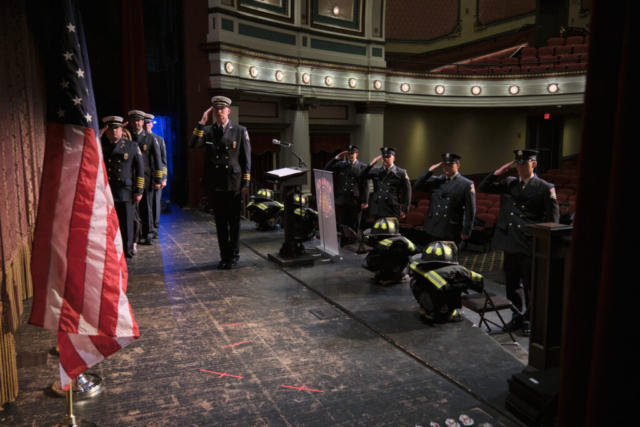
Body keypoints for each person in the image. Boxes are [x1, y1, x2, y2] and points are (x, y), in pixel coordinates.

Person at [479, 149, 559, 335]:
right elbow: (484, 187)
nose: (521, 168)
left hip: (529, 243)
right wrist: (498, 172)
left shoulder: (545, 187)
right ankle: (516, 317)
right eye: (519, 164)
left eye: (525, 164)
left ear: (534, 164)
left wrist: (544, 244)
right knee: (512, 283)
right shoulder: (509, 183)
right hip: (509, 241)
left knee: (530, 285)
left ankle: (529, 320)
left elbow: (552, 221)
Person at [188, 96, 251, 269]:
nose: (219, 111)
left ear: (228, 111)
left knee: (234, 222)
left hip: (233, 182)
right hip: (215, 182)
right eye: (216, 109)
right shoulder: (208, 131)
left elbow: (246, 158)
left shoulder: (239, 130)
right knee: (221, 222)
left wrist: (246, 181)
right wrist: (201, 123)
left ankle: (233, 255)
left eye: (222, 108)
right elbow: (194, 144)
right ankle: (224, 256)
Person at [100, 116, 144, 266]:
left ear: (121, 129)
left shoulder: (131, 145)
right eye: (111, 128)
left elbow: (140, 169)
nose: (114, 131)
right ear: (106, 131)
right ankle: (112, 253)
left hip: (125, 191)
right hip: (107, 192)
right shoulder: (101, 145)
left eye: (117, 128)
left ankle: (127, 251)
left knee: (126, 225)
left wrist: (138, 190)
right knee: (109, 224)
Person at [409, 241, 484, 323]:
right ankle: (449, 312)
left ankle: (425, 309)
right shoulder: (447, 274)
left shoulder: (421, 269)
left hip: (426, 308)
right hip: (440, 314)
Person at [414, 153, 476, 247]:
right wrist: (429, 171)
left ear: (457, 165)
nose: (446, 167)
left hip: (452, 227)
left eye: (450, 165)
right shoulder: (437, 180)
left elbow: (470, 209)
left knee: (450, 257)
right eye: (445, 165)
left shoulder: (466, 184)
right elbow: (418, 185)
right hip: (435, 225)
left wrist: (466, 230)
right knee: (434, 255)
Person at [128, 110, 162, 245]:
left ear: (143, 122)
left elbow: (158, 160)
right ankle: (135, 234)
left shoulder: (150, 138)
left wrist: (158, 179)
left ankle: (148, 233)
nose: (136, 123)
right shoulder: (128, 136)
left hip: (146, 177)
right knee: (133, 207)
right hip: (130, 177)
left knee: (146, 206)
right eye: (133, 120)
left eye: (138, 120)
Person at [324, 145, 369, 244]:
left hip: (355, 201)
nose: (350, 156)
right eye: (348, 154)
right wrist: (336, 158)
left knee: (354, 225)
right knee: (343, 225)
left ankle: (354, 246)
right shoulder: (342, 164)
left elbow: (365, 186)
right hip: (343, 199)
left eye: (352, 154)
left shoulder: (362, 167)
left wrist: (365, 201)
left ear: (356, 154)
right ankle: (344, 246)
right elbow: (326, 169)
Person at [359, 147, 412, 221]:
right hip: (378, 207)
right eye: (384, 157)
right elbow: (360, 176)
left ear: (393, 158)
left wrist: (405, 209)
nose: (385, 159)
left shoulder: (401, 173)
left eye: (388, 157)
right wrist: (371, 164)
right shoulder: (377, 171)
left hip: (392, 208)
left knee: (391, 231)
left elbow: (407, 191)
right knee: (378, 231)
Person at [144, 114, 167, 239]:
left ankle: (155, 229)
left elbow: (163, 160)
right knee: (146, 205)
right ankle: (148, 228)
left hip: (156, 175)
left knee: (156, 204)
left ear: (152, 125)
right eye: (145, 123)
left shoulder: (158, 139)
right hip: (144, 175)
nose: (147, 125)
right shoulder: (139, 139)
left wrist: (163, 178)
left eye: (149, 123)